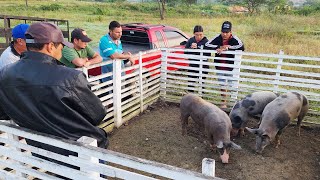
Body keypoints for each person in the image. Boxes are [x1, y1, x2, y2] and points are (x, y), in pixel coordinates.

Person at [0, 22, 108, 169]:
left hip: (43, 151)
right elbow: (97, 114)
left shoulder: (5, 74)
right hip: (80, 151)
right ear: (50, 46)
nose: (63, 48)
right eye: (61, 45)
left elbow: (4, 113)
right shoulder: (71, 77)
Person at [205, 21, 244, 109]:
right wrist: (218, 47)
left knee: (231, 84)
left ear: (230, 32)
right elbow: (207, 44)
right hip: (220, 65)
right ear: (221, 31)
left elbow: (242, 46)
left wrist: (228, 47)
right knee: (222, 85)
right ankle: (224, 101)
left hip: (231, 66)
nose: (225, 34)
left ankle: (233, 102)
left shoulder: (234, 39)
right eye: (223, 32)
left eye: (227, 32)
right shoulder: (218, 37)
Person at [185, 25, 210, 92]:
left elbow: (208, 54)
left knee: (201, 84)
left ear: (203, 33)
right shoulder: (190, 40)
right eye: (197, 35)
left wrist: (198, 49)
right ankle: (190, 100)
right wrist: (190, 48)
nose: (199, 37)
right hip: (193, 65)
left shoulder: (206, 41)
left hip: (203, 66)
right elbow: (185, 52)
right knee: (191, 85)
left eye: (200, 35)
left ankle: (201, 99)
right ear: (194, 34)